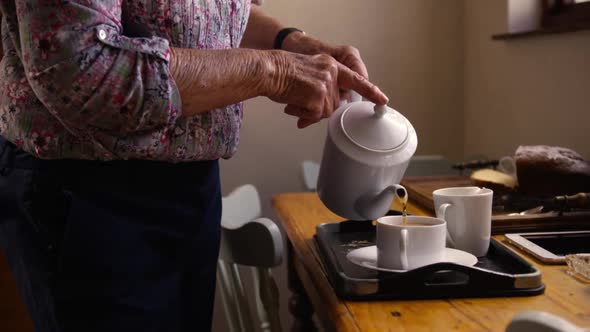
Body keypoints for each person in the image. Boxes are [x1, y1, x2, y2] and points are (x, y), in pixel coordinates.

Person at [0, 1, 388, 331]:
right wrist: (274, 70)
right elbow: (79, 70)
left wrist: (292, 43)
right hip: (89, 192)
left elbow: (214, 12)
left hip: (191, 186)